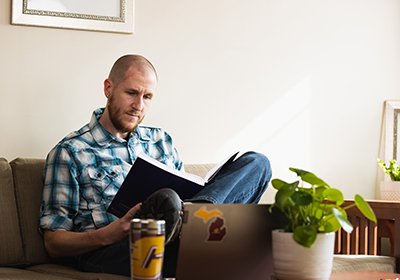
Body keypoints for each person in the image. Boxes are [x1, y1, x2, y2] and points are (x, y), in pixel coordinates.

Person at [39, 54, 272, 277]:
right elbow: (53, 243)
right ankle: (198, 227)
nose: (138, 105)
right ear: (108, 88)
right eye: (131, 93)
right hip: (113, 250)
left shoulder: (161, 141)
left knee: (257, 163)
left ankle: (194, 217)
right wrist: (107, 235)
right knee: (170, 201)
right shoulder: (70, 152)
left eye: (147, 97)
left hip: (172, 238)